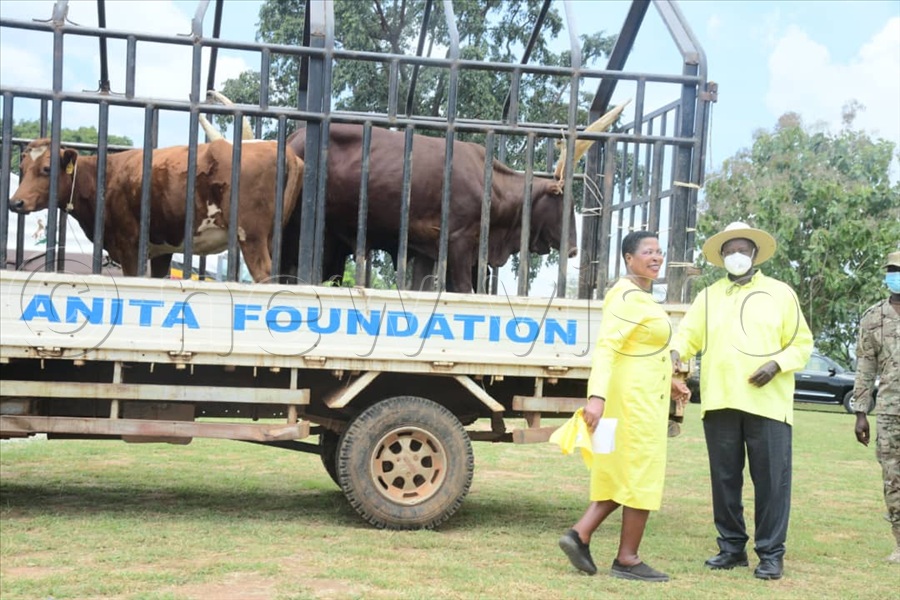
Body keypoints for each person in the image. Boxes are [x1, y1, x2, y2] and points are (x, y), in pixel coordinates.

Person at [670, 221, 813, 581]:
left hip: (768, 403)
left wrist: (776, 364)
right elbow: (687, 336)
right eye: (729, 250)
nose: (736, 256)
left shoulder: (781, 293)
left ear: (754, 253)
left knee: (771, 482)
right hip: (720, 401)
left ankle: (771, 553)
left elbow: (801, 344)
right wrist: (674, 354)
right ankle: (731, 548)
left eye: (742, 249)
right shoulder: (708, 296)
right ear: (721, 257)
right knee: (724, 479)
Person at [558, 230, 691, 583]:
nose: (656, 257)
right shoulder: (627, 298)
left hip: (642, 395)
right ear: (628, 258)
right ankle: (627, 558)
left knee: (623, 472)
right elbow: (608, 348)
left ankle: (579, 535)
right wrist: (596, 397)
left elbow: (644, 351)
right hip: (633, 403)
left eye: (660, 251)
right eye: (647, 251)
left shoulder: (641, 297)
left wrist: (672, 380)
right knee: (641, 474)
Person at [851, 249, 900, 564]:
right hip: (890, 411)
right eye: (892, 269)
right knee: (893, 477)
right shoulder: (873, 317)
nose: (895, 274)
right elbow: (865, 368)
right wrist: (860, 412)